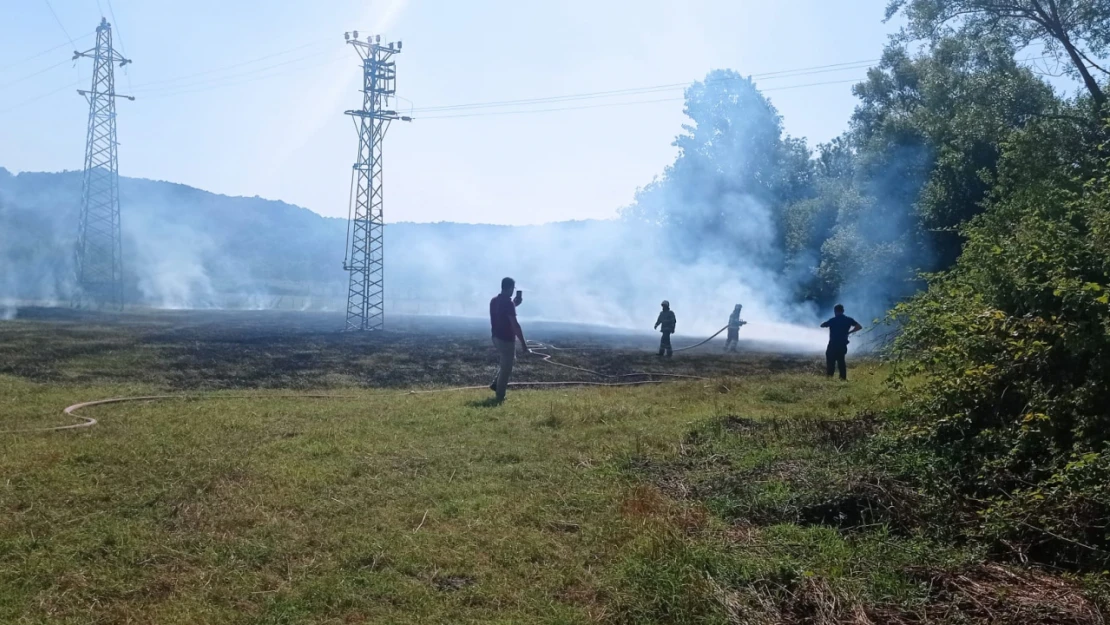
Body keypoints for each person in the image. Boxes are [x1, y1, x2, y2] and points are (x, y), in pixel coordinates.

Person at [489, 277, 528, 401]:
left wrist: (515, 304)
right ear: (510, 288)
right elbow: (515, 325)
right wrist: (523, 344)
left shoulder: (494, 300)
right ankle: (500, 396)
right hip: (506, 339)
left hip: (495, 337)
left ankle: (496, 383)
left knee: (506, 363)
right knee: (507, 368)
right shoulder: (508, 303)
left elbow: (502, 312)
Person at [820, 304, 862, 380]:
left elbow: (822, 325)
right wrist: (849, 332)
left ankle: (830, 377)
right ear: (843, 311)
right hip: (843, 344)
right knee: (841, 361)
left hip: (833, 344)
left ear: (835, 311)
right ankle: (842, 378)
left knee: (830, 360)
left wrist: (824, 323)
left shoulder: (833, 320)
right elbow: (859, 327)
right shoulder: (849, 320)